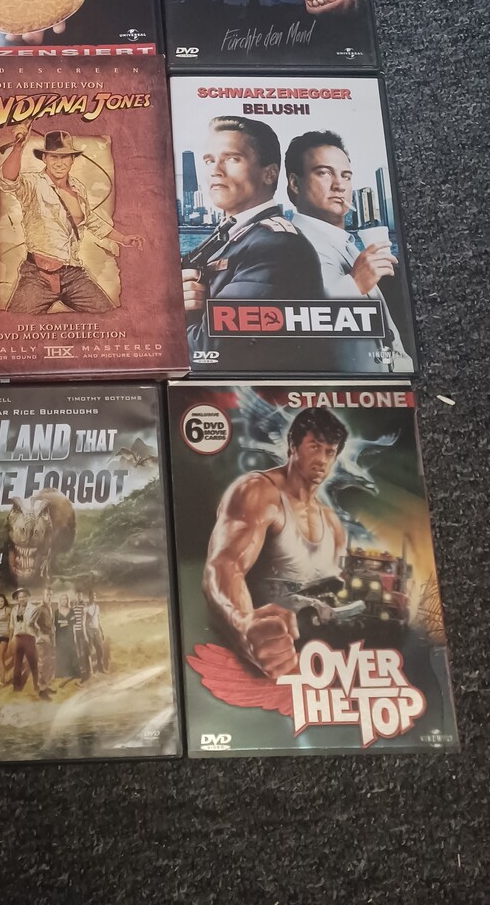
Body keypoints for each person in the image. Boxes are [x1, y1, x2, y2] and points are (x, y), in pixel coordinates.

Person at [203, 406, 349, 680]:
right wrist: (242, 624)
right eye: (314, 447)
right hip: (251, 662)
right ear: (293, 446)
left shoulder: (333, 525)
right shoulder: (257, 492)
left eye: (330, 452)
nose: (322, 459)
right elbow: (225, 565)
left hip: (313, 663)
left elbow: (338, 590)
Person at [182, 116, 325, 367]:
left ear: (269, 174)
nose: (215, 170)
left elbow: (209, 352)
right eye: (209, 160)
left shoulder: (275, 248)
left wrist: (177, 314)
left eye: (232, 159)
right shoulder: (231, 234)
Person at [284, 130, 415, 373]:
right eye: (324, 173)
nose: (339, 185)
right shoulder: (289, 247)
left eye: (346, 176)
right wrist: (354, 285)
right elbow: (293, 324)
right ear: (294, 183)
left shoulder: (347, 244)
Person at [0, 123, 143, 314]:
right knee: (14, 323)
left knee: (109, 316)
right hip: (37, 276)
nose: (59, 163)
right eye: (54, 157)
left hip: (74, 275)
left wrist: (123, 239)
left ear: (72, 159)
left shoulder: (78, 188)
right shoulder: (33, 183)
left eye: (65, 156)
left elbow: (91, 220)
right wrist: (18, 148)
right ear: (45, 158)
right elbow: (8, 180)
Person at [10, 587, 40, 694]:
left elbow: (38, 624)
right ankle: (16, 686)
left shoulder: (33, 608)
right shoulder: (14, 610)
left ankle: (36, 684)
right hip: (18, 638)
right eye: (20, 597)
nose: (22, 599)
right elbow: (12, 625)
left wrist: (37, 636)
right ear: (17, 598)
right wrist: (12, 639)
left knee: (33, 663)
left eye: (24, 597)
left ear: (27, 597)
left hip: (29, 638)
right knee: (17, 664)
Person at [53, 593, 82, 681]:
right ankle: (61, 673)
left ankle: (73, 673)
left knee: (71, 652)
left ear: (67, 600)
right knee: (61, 653)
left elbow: (74, 621)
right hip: (60, 636)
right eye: (62, 599)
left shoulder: (71, 611)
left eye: (65, 599)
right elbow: (55, 624)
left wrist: (64, 623)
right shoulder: (56, 612)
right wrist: (67, 622)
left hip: (69, 635)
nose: (64, 601)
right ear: (60, 601)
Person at [35, 586, 57, 700]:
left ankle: (46, 686)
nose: (49, 596)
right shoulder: (39, 608)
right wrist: (41, 635)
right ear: (43, 596)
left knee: (50, 664)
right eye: (47, 594)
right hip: (43, 641)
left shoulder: (50, 608)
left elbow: (50, 624)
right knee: (43, 664)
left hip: (51, 640)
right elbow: (31, 623)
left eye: (51, 594)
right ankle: (42, 691)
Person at [0, 593, 13, 685]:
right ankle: (3, 671)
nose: (0, 603)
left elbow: (12, 624)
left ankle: (3, 681)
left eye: (2, 601)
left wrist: (11, 638)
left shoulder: (7, 610)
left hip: (6, 636)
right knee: (1, 657)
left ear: (4, 601)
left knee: (0, 657)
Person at [84, 590, 108, 673]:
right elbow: (84, 621)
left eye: (94, 596)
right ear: (89, 597)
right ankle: (89, 669)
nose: (93, 597)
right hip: (89, 630)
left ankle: (100, 668)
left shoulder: (97, 607)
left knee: (100, 649)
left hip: (96, 630)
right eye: (92, 596)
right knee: (89, 650)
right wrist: (85, 633)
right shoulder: (86, 608)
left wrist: (101, 630)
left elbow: (98, 619)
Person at [71, 588, 91, 680]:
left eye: (81, 595)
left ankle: (89, 669)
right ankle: (81, 669)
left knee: (85, 650)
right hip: (76, 631)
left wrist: (86, 626)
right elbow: (72, 618)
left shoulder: (85, 605)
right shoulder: (74, 606)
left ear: (82, 596)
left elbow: (89, 617)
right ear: (76, 596)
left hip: (83, 631)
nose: (79, 597)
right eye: (78, 595)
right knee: (78, 651)